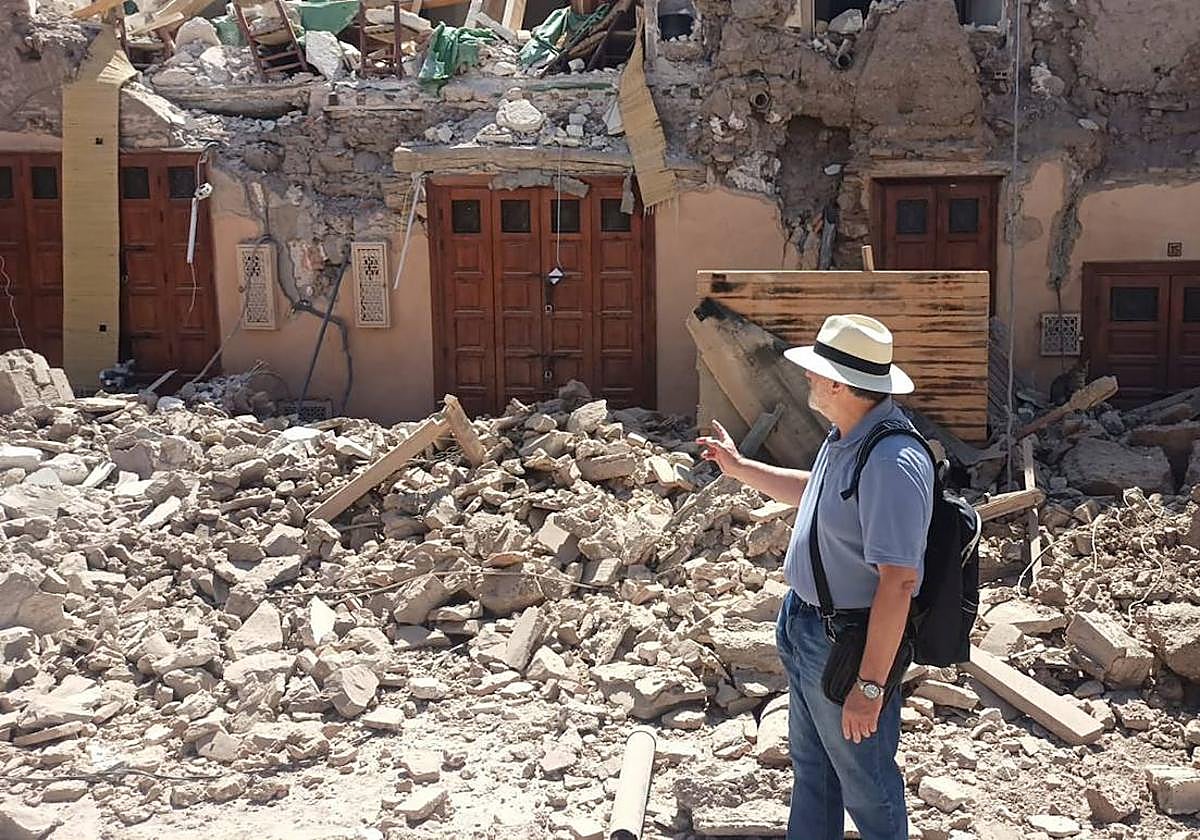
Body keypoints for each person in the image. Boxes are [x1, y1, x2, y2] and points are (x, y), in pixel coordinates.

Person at [696, 313, 934, 840]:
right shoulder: (847, 436)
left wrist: (870, 686)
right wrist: (740, 469)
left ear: (840, 384)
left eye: (815, 372)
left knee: (866, 784)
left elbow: (898, 582)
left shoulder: (893, 460)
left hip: (846, 644)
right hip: (805, 627)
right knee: (813, 773)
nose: (807, 379)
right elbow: (816, 493)